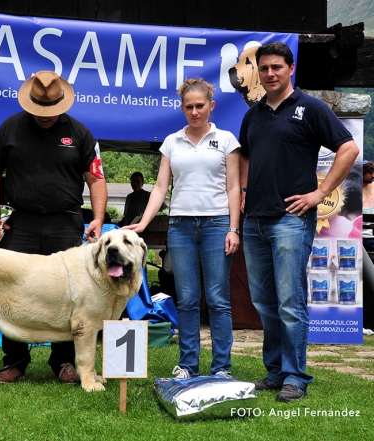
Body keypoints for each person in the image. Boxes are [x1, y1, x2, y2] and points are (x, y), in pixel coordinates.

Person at [239, 41, 359, 402]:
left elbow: (349, 148)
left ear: (291, 69)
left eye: (277, 67)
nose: (270, 73)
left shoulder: (310, 108)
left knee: (290, 300)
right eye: (264, 68)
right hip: (255, 220)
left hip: (291, 220)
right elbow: (245, 155)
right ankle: (275, 371)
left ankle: (295, 377)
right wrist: (244, 189)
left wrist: (319, 194)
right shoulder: (254, 114)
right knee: (263, 301)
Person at [0, 70, 108, 384]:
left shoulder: (80, 133)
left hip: (66, 222)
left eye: (51, 110)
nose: (46, 116)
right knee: (12, 290)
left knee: (68, 292)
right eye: (40, 110)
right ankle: (15, 361)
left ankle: (64, 362)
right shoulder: (10, 127)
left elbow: (96, 179)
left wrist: (99, 218)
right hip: (20, 221)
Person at [123, 78, 240, 380]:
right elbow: (161, 188)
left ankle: (222, 368)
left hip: (217, 224)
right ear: (182, 108)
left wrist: (234, 228)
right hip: (180, 225)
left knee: (217, 298)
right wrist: (145, 222)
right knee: (186, 298)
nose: (195, 111)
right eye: (189, 107)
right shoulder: (172, 142)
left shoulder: (227, 139)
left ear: (211, 106)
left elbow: (234, 187)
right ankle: (188, 364)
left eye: (200, 106)